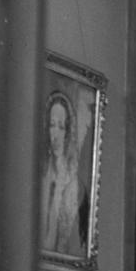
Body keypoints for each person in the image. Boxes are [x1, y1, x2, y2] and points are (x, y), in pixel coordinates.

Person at [41, 90, 85, 257]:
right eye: (52, 125)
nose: (55, 135)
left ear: (68, 132)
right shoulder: (40, 173)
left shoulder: (71, 184)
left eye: (61, 127)